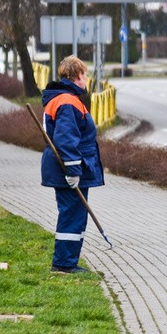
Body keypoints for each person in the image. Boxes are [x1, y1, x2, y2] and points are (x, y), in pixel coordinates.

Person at [40, 55, 104, 274]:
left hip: (69, 168)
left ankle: (68, 261)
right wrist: (74, 171)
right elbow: (66, 140)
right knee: (71, 214)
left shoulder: (63, 98)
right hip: (68, 170)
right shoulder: (67, 101)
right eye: (84, 74)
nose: (86, 79)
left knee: (74, 214)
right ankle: (64, 264)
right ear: (77, 75)